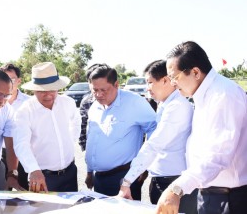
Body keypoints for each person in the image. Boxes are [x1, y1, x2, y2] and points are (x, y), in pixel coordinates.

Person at [157, 41, 247, 214]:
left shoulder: (223, 94)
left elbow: (218, 155)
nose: (173, 84)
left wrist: (177, 188)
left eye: (175, 77)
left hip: (228, 199)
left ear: (195, 72)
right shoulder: (204, 95)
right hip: (211, 194)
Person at [118, 60, 197, 214]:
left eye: (150, 82)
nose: (147, 88)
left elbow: (155, 144)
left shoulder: (177, 107)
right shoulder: (165, 104)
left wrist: (127, 181)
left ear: (165, 80)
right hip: (163, 179)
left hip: (174, 183)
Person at [85, 63, 157, 198]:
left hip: (123, 178)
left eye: (104, 90)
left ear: (116, 84)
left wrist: (143, 165)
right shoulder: (95, 106)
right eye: (94, 90)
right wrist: (90, 172)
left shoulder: (134, 102)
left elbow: (155, 131)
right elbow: (92, 140)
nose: (99, 95)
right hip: (98, 178)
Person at [14, 62, 81, 193]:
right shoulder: (24, 111)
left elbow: (76, 121)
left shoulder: (68, 103)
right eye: (42, 90)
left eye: (52, 89)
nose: (48, 94)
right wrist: (34, 170)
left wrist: (70, 141)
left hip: (70, 174)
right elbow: (21, 144)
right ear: (33, 89)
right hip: (42, 177)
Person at [0, 63, 30, 190]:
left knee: (24, 193)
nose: (8, 83)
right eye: (4, 79)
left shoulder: (28, 102)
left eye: (11, 79)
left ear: (19, 81)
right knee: (2, 194)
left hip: (23, 153)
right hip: (0, 155)